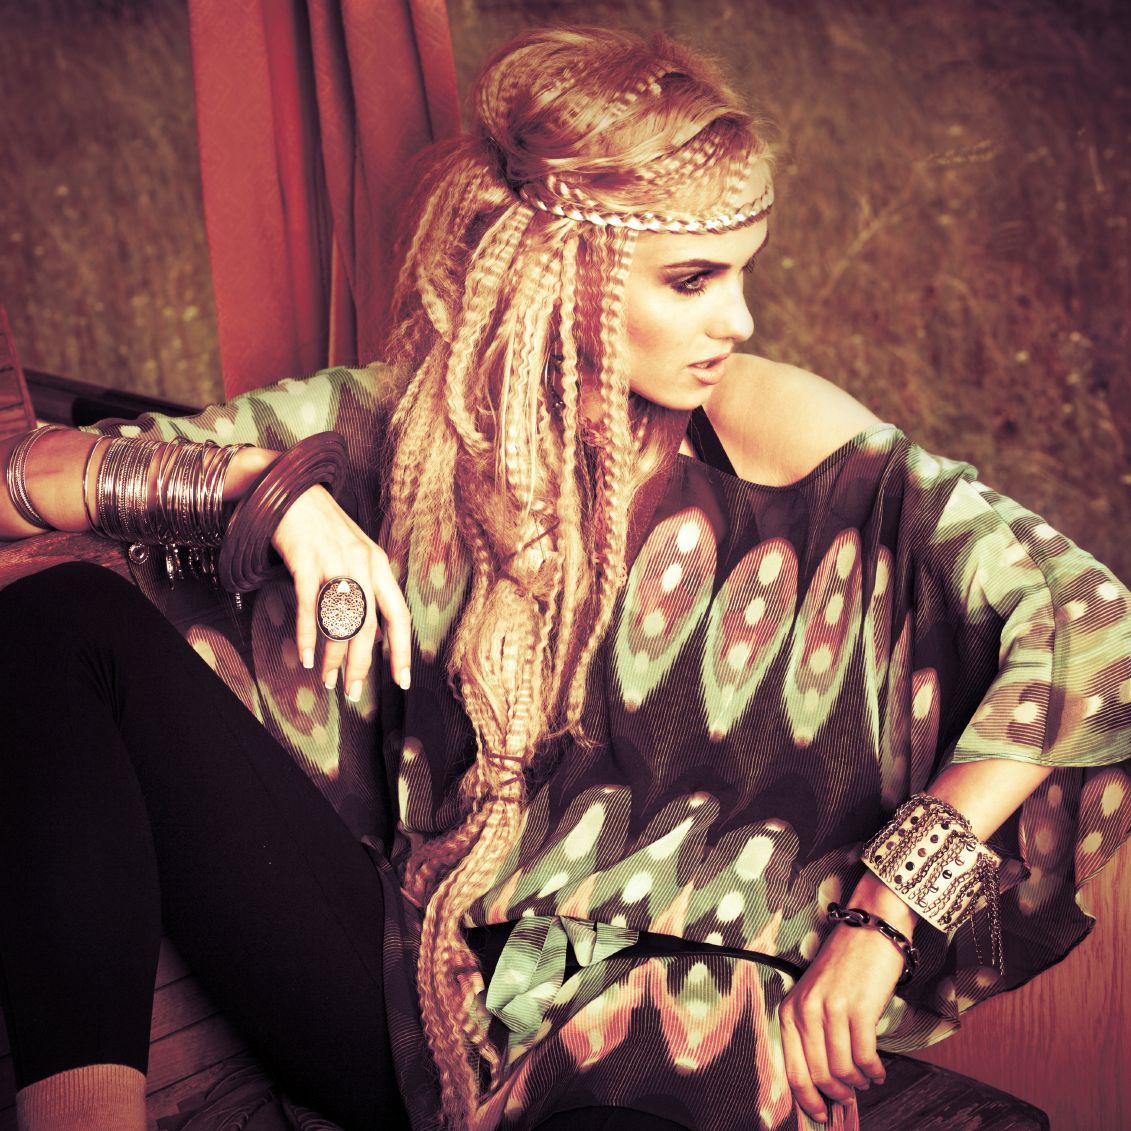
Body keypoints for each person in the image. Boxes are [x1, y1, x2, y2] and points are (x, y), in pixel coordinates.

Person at [0, 24, 1128, 1131]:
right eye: (693, 280)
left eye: (742, 273)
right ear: (566, 272)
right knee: (61, 619)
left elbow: (1090, 623)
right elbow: (19, 485)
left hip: (698, 1039)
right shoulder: (408, 428)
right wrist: (261, 487)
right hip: (414, 1001)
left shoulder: (763, 425)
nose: (738, 319)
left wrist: (885, 913)